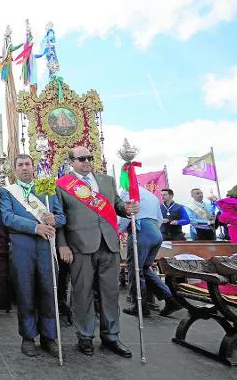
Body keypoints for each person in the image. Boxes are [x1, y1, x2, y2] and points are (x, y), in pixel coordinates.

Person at [56, 146, 139, 358]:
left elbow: (117, 205)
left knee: (110, 292)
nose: (87, 162)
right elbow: (60, 218)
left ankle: (111, 335)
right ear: (71, 162)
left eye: (90, 158)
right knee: (82, 292)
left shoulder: (107, 181)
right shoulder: (63, 185)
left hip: (108, 243)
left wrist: (127, 208)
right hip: (79, 245)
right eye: (81, 158)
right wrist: (62, 244)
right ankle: (85, 335)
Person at [0, 154, 66, 358]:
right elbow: (7, 217)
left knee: (48, 292)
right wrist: (34, 226)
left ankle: (49, 337)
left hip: (46, 248)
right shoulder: (8, 192)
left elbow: (62, 217)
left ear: (34, 167)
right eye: (20, 165)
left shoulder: (47, 189)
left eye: (28, 164)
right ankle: (28, 337)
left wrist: (54, 219)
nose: (24, 168)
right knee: (25, 292)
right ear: (15, 169)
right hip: (22, 249)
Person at [119, 186, 183, 318]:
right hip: (156, 232)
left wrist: (117, 231)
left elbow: (125, 214)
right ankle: (170, 299)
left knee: (135, 269)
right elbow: (159, 218)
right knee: (144, 268)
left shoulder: (128, 192)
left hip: (141, 230)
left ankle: (139, 306)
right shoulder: (152, 196)